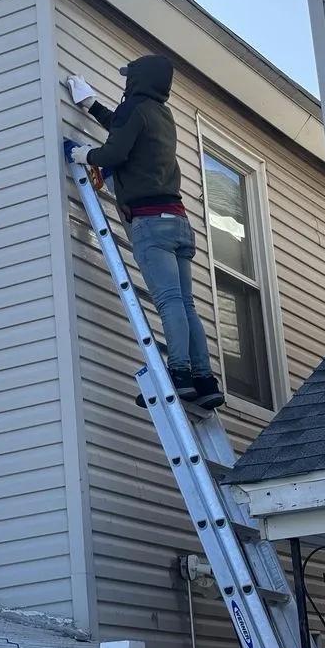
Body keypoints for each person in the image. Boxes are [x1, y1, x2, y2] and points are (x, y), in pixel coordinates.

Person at [66, 55, 224, 411]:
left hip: (151, 221)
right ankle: (204, 380)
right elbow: (126, 132)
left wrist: (83, 155)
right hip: (179, 220)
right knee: (186, 304)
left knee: (169, 303)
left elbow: (115, 151)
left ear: (137, 81)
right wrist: (92, 106)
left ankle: (179, 375)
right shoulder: (161, 115)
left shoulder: (134, 108)